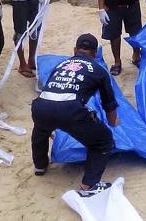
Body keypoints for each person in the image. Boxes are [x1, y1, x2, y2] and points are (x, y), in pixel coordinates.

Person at [31, 33, 119, 197]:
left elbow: (50, 88)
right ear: (94, 53)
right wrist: (112, 124)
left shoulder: (60, 64)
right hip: (70, 110)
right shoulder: (98, 70)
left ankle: (40, 165)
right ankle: (89, 185)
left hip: (41, 107)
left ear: (75, 50)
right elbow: (109, 105)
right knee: (103, 140)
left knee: (41, 130)